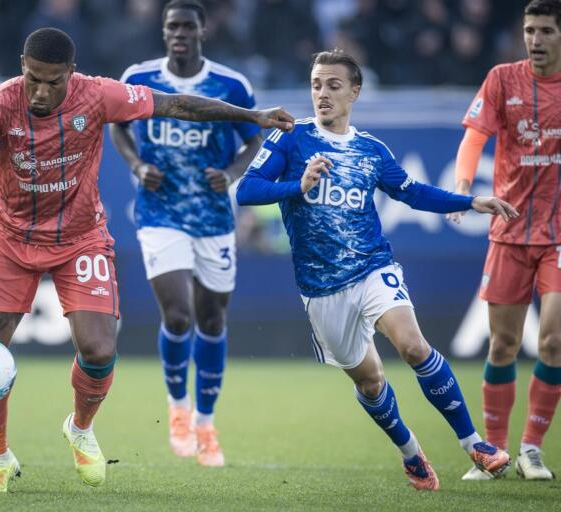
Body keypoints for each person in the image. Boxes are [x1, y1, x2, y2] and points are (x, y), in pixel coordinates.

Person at [0, 27, 293, 492]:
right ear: (22, 66)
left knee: (99, 350)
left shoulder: (98, 95)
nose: (41, 91)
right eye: (33, 77)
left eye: (53, 81)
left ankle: (80, 427)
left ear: (70, 74)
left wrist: (251, 115)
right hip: (8, 241)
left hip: (80, 239)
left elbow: (177, 104)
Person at [235, 49, 517, 491]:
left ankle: (474, 443)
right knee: (370, 382)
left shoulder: (371, 150)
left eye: (332, 85)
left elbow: (412, 192)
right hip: (320, 287)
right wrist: (298, 184)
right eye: (315, 85)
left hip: (373, 266)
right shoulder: (291, 138)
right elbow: (247, 191)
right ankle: (411, 453)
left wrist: (470, 201)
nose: (322, 94)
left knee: (413, 346)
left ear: (355, 91)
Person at [108, 0, 262, 467]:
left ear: (202, 31)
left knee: (212, 320)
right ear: (163, 31)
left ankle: (206, 421)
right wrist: (137, 165)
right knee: (178, 315)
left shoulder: (230, 85)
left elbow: (255, 135)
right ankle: (178, 409)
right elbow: (117, 126)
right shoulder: (138, 77)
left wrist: (233, 171)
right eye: (171, 26)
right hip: (159, 213)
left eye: (187, 26)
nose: (179, 33)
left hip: (214, 218)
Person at [448, 0, 561, 481]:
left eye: (545, 31)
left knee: (554, 342)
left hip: (558, 236)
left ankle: (531, 449)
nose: (535, 39)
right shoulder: (502, 79)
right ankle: (493, 453)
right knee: (503, 346)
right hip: (510, 231)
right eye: (529, 30)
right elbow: (474, 137)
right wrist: (461, 188)